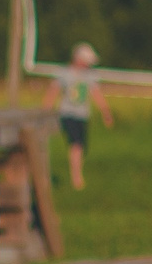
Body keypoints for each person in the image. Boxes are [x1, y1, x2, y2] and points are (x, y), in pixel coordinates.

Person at [46, 42, 113, 190]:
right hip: (68, 113)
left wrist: (105, 111)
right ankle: (76, 177)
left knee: (82, 146)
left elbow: (96, 93)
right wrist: (46, 111)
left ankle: (77, 172)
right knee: (76, 144)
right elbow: (53, 92)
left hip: (82, 115)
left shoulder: (90, 76)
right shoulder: (64, 74)